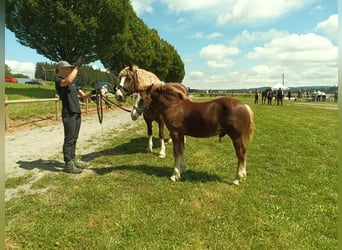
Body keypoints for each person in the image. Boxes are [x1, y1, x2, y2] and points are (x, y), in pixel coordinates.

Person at [55, 58, 95, 174]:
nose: (69, 69)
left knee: (74, 138)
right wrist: (77, 67)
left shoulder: (73, 83)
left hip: (77, 113)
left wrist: (93, 92)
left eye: (70, 68)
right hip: (68, 114)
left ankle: (73, 159)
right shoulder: (59, 80)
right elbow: (68, 80)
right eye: (67, 68)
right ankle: (68, 164)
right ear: (60, 70)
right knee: (69, 139)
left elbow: (83, 96)